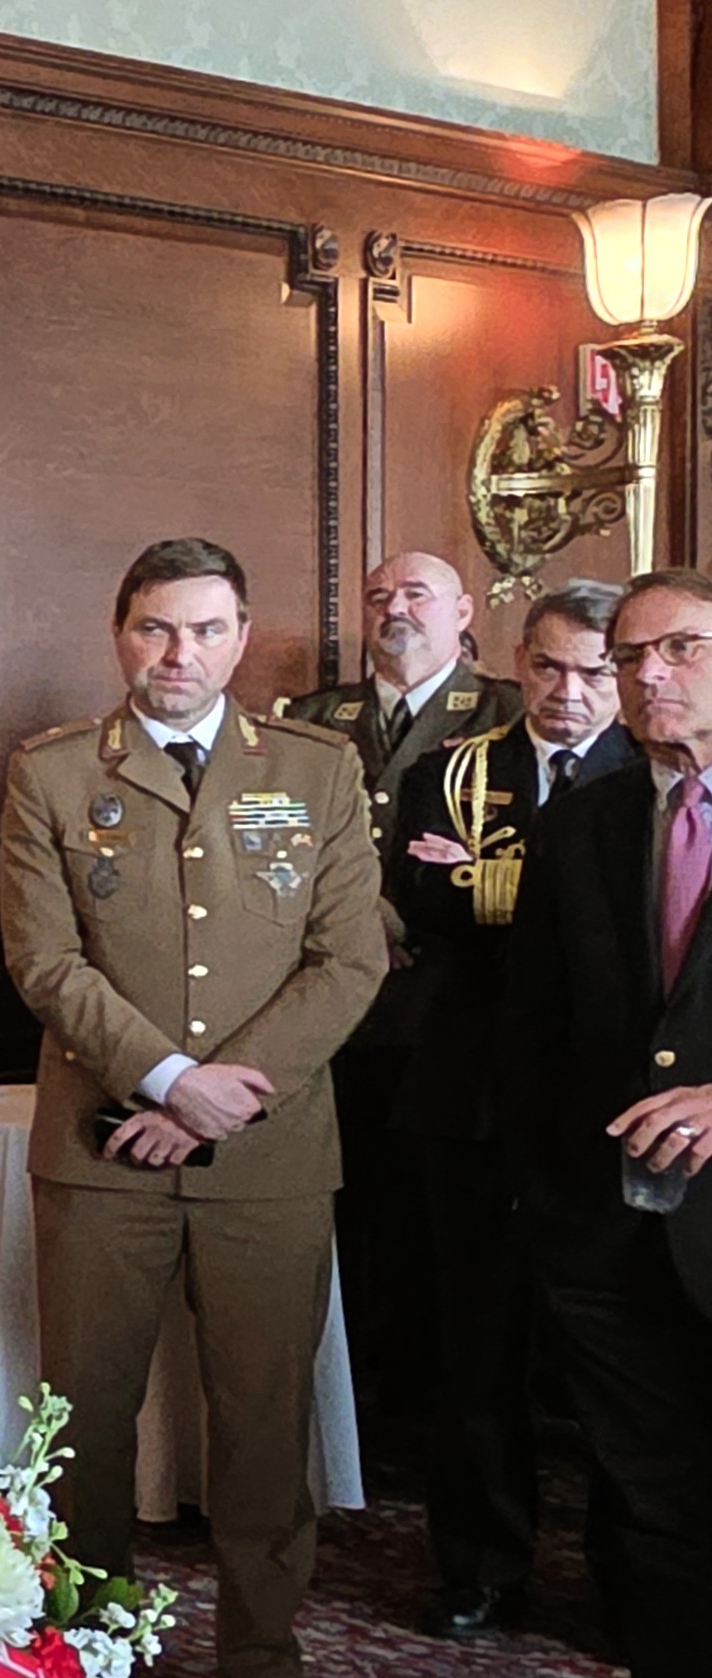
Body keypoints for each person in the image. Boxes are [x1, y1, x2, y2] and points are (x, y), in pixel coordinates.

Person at [0, 537, 384, 1678]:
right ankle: (88, 1642)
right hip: (102, 1149)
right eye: (156, 627)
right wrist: (170, 1081)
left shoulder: (316, 769)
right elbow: (44, 960)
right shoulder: (53, 772)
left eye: (207, 629)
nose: (181, 652)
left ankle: (261, 1650)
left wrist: (216, 1100)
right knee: (84, 1421)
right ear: (120, 634)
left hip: (271, 1156)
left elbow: (349, 961)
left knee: (264, 1422)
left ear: (242, 638)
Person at [384, 578, 634, 1639]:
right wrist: (506, 892)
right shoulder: (449, 770)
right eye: (548, 667)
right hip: (471, 1095)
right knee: (475, 1347)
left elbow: (611, 922)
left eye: (594, 672)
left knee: (614, 1361)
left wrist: (490, 881)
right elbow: (424, 902)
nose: (568, 693)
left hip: (606, 1104)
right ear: (515, 662)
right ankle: (480, 1567)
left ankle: (627, 1580)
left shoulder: (654, 775)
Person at [488, 568, 712, 1678]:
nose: (647, 674)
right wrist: (549, 1208)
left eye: (680, 649)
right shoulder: (582, 820)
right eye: (629, 656)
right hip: (603, 1230)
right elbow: (535, 1025)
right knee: (647, 1491)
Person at [271, 551, 520, 1415]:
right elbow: (275, 843)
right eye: (378, 596)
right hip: (329, 1007)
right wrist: (363, 913)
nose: (395, 609)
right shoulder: (311, 719)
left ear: (462, 612)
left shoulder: (503, 713)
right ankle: (347, 1400)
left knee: (430, 1218)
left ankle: (419, 1404)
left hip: (443, 1007)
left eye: (416, 594)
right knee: (342, 1209)